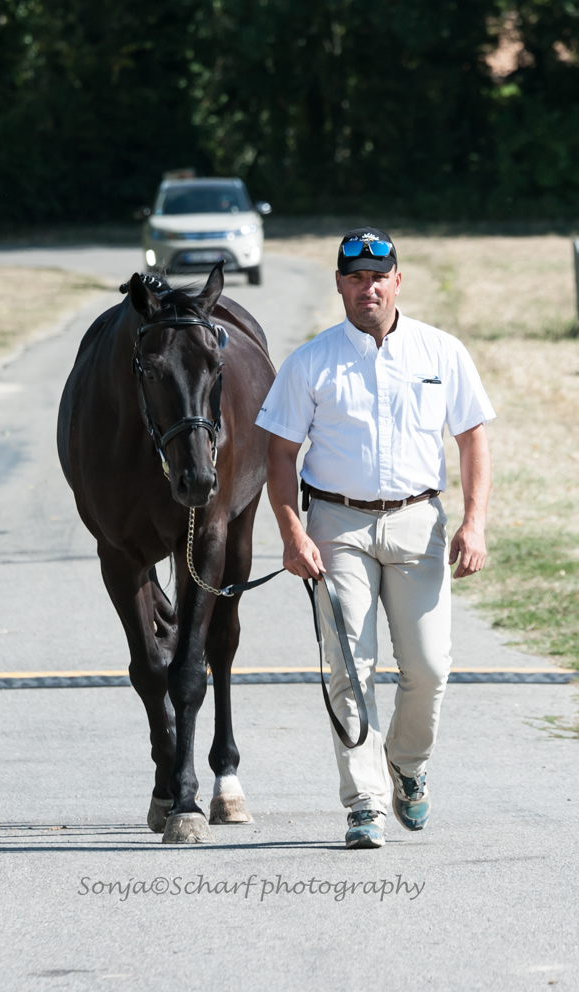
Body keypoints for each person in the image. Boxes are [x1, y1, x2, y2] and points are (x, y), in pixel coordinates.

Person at [256, 228, 494, 849]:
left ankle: (407, 766)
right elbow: (279, 455)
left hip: (419, 523)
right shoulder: (311, 362)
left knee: (429, 667)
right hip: (336, 527)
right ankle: (364, 801)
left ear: (398, 280)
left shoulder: (442, 353)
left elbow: (472, 439)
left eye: (378, 276)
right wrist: (291, 533)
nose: (368, 287)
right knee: (347, 667)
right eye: (355, 277)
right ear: (339, 283)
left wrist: (474, 521)